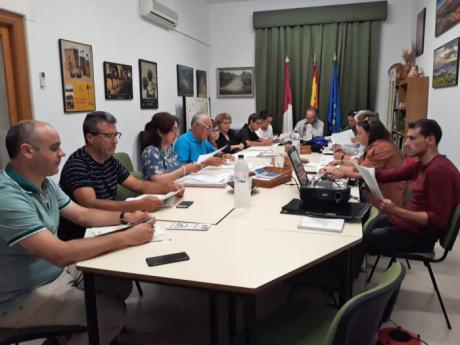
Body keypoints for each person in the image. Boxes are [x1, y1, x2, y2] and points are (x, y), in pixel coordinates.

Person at [0, 120, 154, 345]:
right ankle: (88, 331)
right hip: (19, 296)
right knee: (110, 315)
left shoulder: (45, 184)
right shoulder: (7, 197)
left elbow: (83, 214)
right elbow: (59, 253)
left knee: (118, 283)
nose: (62, 153)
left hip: (55, 272)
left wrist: (126, 218)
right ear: (27, 151)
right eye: (54, 148)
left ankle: (72, 335)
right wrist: (127, 236)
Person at [59, 111, 179, 241]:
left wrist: (168, 188)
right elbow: (91, 204)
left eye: (116, 135)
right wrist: (137, 205)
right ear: (90, 137)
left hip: (108, 225)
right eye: (108, 136)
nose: (115, 141)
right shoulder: (77, 164)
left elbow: (138, 185)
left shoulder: (110, 160)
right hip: (83, 236)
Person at [363, 119, 460, 257]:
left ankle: (340, 277)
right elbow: (385, 175)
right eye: (407, 138)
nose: (406, 143)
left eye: (412, 138)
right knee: (361, 224)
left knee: (361, 239)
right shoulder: (421, 164)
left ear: (430, 140)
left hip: (418, 236)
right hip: (404, 223)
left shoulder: (439, 171)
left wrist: (396, 210)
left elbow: (437, 219)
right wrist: (348, 170)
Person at [321, 116, 408, 207]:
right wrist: (338, 166)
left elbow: (364, 172)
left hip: (388, 200)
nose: (357, 137)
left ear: (370, 134)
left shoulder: (381, 148)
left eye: (360, 133)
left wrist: (339, 171)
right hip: (376, 193)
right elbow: (359, 165)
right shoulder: (374, 146)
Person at [141, 112, 201, 183]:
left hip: (173, 187)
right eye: (173, 130)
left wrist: (193, 166)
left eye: (177, 130)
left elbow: (176, 168)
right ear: (160, 132)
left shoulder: (170, 149)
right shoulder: (151, 151)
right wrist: (184, 170)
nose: (177, 134)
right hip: (157, 192)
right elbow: (158, 180)